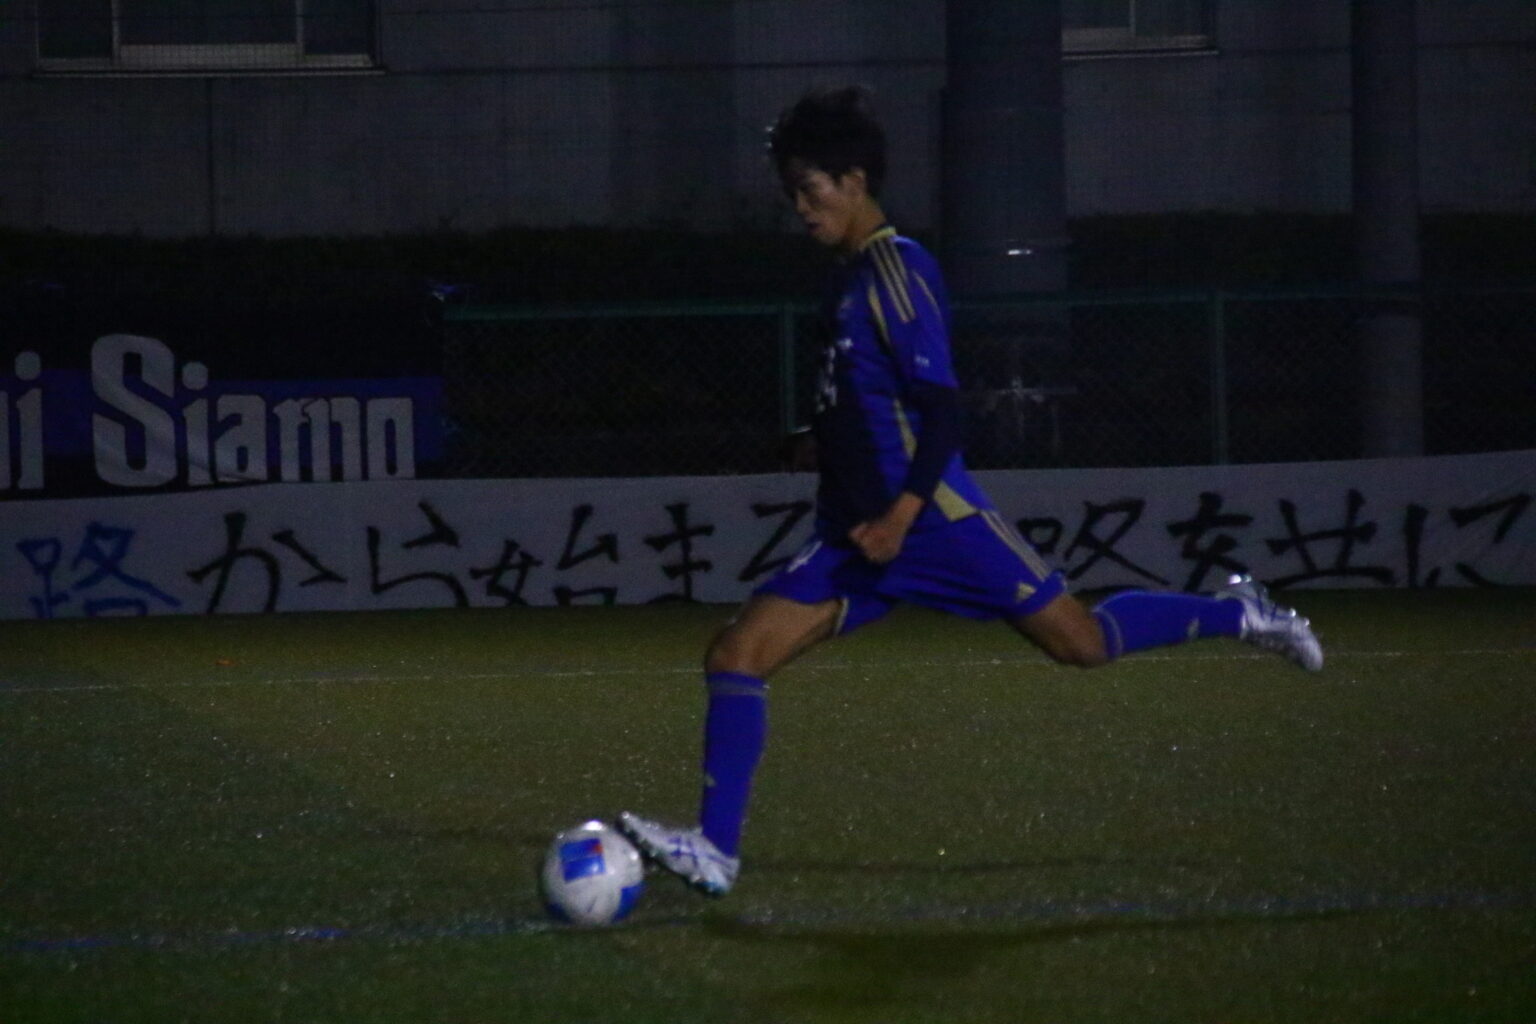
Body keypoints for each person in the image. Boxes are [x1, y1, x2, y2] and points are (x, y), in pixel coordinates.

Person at [619, 86, 1322, 898]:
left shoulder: (899, 268)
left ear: (854, 181)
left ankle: (1242, 613)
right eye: (792, 195)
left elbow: (943, 410)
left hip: (931, 523)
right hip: (856, 534)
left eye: (810, 191)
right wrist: (820, 438)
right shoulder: (844, 281)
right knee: (735, 654)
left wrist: (901, 514)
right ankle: (715, 850)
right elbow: (869, 397)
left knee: (1081, 643)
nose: (801, 210)